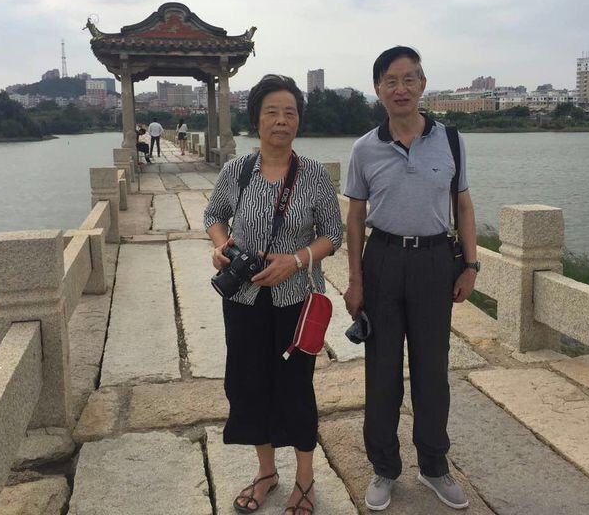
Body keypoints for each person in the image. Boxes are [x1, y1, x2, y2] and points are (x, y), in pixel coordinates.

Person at [343, 46, 479, 511]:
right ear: (378, 89)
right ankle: (384, 467)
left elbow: (463, 206)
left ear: (422, 84)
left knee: (432, 372)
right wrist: (355, 280)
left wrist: (471, 265)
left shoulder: (451, 141)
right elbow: (355, 219)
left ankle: (434, 466)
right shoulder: (364, 148)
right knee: (382, 372)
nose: (400, 89)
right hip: (382, 260)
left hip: (435, 262)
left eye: (409, 79)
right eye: (391, 81)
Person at [204, 74, 342, 515]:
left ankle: (305, 478)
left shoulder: (314, 174)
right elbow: (214, 214)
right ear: (257, 119)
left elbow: (333, 234)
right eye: (272, 113)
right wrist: (220, 246)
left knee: (296, 387)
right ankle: (266, 472)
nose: (282, 121)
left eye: (290, 113)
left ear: (298, 120)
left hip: (295, 301)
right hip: (243, 300)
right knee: (247, 384)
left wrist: (295, 260)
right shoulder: (236, 171)